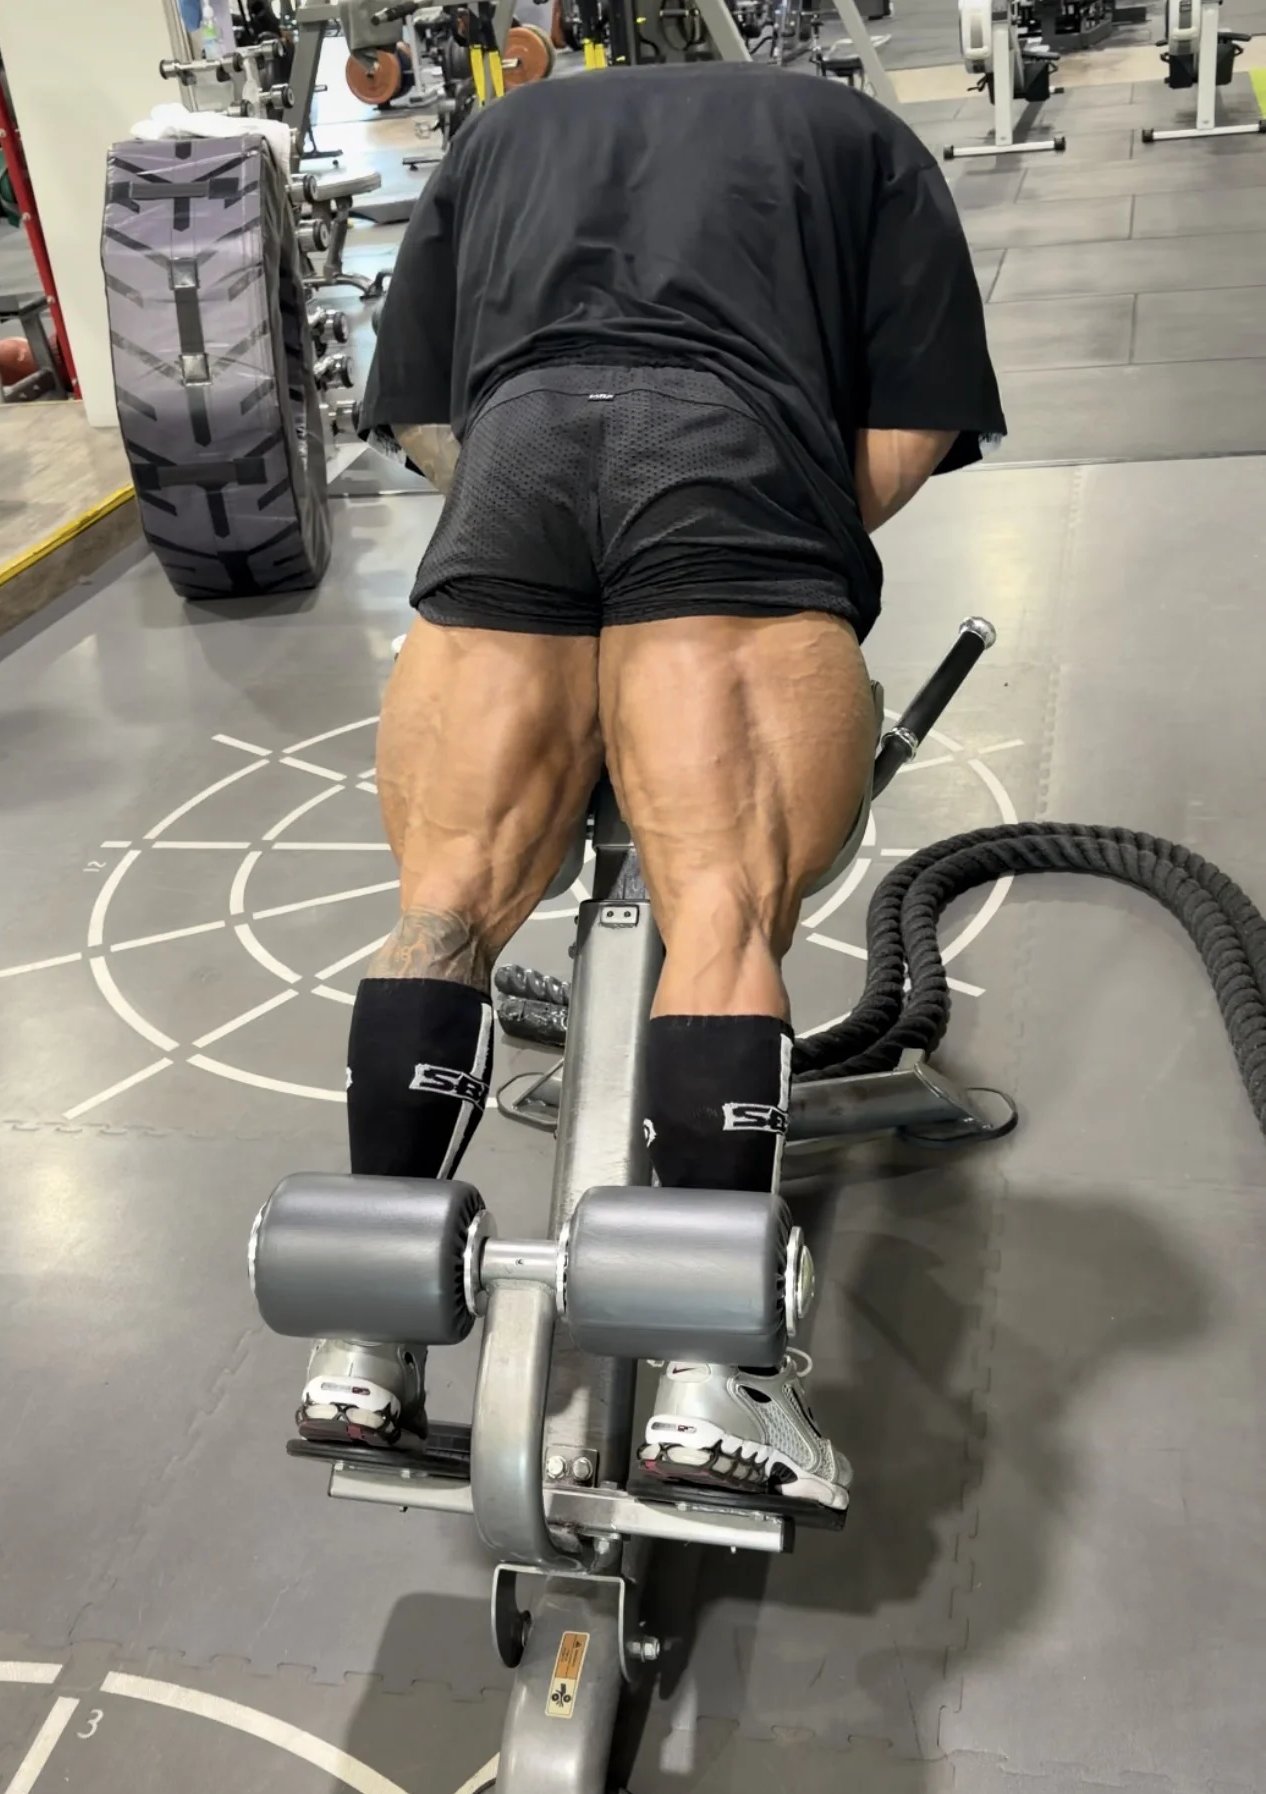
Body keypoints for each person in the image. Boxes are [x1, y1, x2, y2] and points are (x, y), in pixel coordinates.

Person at [299, 62, 1004, 1510]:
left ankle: (361, 1346)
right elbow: (911, 425)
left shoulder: (498, 129)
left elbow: (420, 410)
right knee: (720, 910)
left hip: (514, 470)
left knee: (444, 901)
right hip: (733, 470)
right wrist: (762, 538)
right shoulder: (862, 134)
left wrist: (556, 548)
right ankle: (714, 1384)